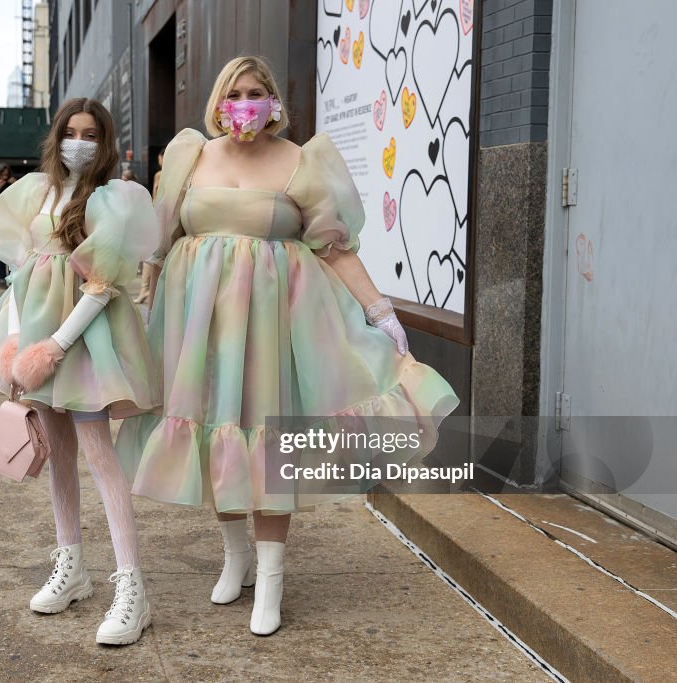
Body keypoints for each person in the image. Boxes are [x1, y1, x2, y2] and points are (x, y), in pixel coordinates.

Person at [116, 57, 459, 636]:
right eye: (234, 94)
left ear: (274, 101)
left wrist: (380, 309)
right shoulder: (190, 157)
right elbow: (160, 236)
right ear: (219, 103)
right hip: (198, 325)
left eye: (256, 93)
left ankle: (271, 580)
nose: (244, 104)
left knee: (270, 441)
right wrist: (139, 299)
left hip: (275, 323)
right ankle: (236, 558)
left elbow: (336, 248)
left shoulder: (302, 162)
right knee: (215, 433)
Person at [0, 98, 159, 646]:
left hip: (84, 338)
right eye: (70, 132)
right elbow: (22, 274)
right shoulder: (35, 192)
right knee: (58, 453)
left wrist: (56, 345)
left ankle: (131, 589)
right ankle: (72, 565)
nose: (79, 142)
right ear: (56, 136)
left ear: (105, 141)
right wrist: (20, 340)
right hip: (39, 334)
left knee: (99, 454)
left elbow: (103, 285)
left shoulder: (115, 199)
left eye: (90, 134)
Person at [133, 152, 163, 304]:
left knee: (156, 256)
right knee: (150, 255)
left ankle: (150, 290)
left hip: (164, 217)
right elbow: (154, 196)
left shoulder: (165, 174)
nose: (158, 160)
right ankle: (145, 289)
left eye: (160, 157)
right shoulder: (158, 174)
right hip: (156, 216)